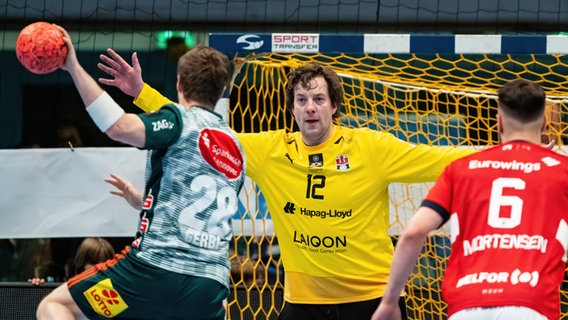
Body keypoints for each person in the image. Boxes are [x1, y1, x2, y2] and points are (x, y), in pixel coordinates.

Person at [97, 49, 476, 320]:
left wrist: (518, 150)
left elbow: (440, 157)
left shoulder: (370, 147)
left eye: (318, 99)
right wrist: (141, 94)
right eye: (301, 99)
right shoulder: (269, 150)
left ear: (334, 106)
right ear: (292, 108)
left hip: (371, 297)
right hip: (304, 300)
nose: (310, 106)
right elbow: (201, 132)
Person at [36, 25, 246, 320]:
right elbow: (199, 208)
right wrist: (143, 201)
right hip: (208, 290)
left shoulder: (178, 120)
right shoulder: (236, 146)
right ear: (223, 90)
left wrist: (72, 66)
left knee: (55, 306)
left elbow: (118, 127)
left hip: (149, 277)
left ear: (179, 85)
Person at [371, 79, 568, 320]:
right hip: (531, 302)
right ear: (545, 124)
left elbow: (413, 232)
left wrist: (390, 302)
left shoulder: (461, 169)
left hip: (468, 304)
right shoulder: (561, 171)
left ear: (499, 123)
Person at [28, 237, 115, 286]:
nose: (99, 267)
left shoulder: (119, 291)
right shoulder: (69, 289)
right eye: (93, 262)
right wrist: (37, 287)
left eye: (104, 263)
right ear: (81, 265)